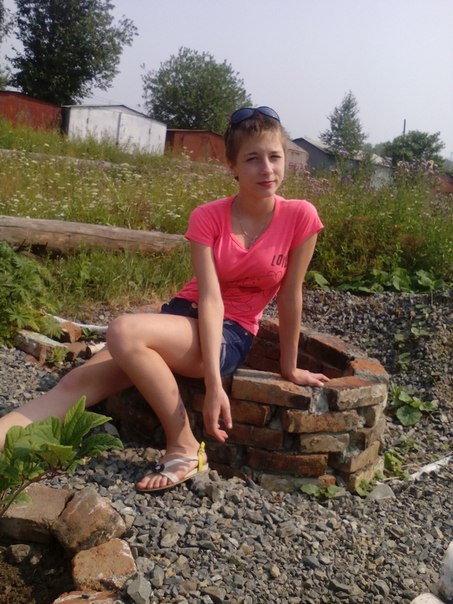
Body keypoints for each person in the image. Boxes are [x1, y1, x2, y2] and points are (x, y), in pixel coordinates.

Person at [0, 106, 329, 492]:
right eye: (252, 159)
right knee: (77, 382)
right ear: (233, 166)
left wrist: (288, 368)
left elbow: (290, 295)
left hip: (232, 332)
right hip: (183, 316)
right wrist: (214, 385)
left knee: (124, 331)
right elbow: (209, 297)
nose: (267, 169)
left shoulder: (300, 216)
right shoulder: (208, 216)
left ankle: (185, 447)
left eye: (274, 157)